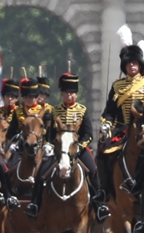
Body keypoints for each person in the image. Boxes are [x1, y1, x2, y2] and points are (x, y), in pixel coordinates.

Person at [45, 72, 105, 221]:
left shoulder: (82, 110)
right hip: (59, 150)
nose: (69, 96)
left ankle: (99, 206)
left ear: (76, 95)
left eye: (72, 93)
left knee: (93, 171)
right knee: (41, 174)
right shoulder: (55, 110)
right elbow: (50, 134)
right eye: (66, 92)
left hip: (78, 149)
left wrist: (79, 146)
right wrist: (50, 145)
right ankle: (36, 204)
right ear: (62, 93)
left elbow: (88, 134)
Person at [100, 27, 144, 202]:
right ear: (125, 65)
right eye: (129, 63)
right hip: (122, 129)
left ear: (140, 64)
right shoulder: (117, 86)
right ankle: (105, 190)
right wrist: (106, 123)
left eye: (135, 62)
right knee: (104, 152)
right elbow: (109, 111)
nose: (132, 65)